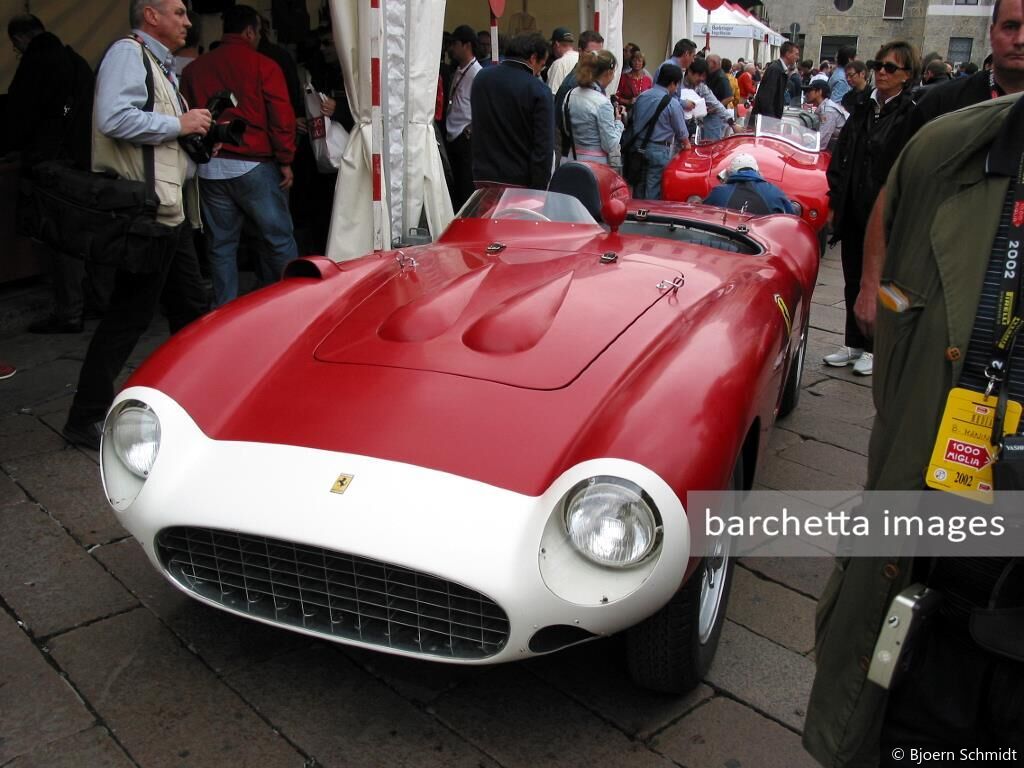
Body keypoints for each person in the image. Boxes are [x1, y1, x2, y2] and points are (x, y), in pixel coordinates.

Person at [804, 91, 1024, 768]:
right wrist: (874, 290)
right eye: (1012, 22)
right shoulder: (948, 146)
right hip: (943, 534)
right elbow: (885, 216)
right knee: (913, 721)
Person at [62, 0, 212, 450]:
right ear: (151, 15)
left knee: (187, 308)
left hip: (169, 209)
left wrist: (191, 133)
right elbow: (114, 117)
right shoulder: (128, 53)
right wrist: (179, 123)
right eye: (179, 12)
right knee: (132, 315)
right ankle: (86, 415)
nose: (188, 21)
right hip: (150, 212)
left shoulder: (157, 64)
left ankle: (197, 400)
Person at [854, 0, 1024, 340]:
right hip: (937, 290)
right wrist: (871, 282)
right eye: (1010, 27)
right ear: (992, 33)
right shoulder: (939, 105)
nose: (1020, 39)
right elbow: (892, 193)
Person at [180, 4, 298, 307]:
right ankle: (294, 304)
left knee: (220, 247)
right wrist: (286, 160)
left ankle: (223, 313)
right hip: (255, 164)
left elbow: (185, 116)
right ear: (250, 31)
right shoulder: (264, 66)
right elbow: (282, 118)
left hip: (209, 167)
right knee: (279, 240)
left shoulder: (194, 70)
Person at [823, 40, 919, 378]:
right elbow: (843, 152)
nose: (881, 72)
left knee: (880, 281)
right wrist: (836, 200)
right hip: (854, 207)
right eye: (879, 65)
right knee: (852, 278)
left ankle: (876, 347)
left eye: (890, 67)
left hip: (886, 212)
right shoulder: (863, 106)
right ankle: (853, 342)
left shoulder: (911, 113)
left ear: (907, 75)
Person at [7, 13, 96, 334]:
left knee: (59, 241)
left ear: (18, 40)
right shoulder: (76, 61)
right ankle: (96, 301)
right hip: (83, 163)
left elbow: (18, 119)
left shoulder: (35, 65)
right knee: (85, 236)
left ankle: (69, 312)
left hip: (49, 165)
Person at [471, 32, 553, 189]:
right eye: (541, 65)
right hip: (520, 181)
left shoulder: (481, 78)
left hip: (483, 176)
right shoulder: (538, 90)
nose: (539, 72)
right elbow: (543, 148)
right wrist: (539, 187)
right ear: (533, 58)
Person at [622, 63, 690, 199]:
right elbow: (682, 134)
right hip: (659, 150)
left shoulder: (642, 96)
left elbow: (633, 119)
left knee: (638, 186)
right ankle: (649, 216)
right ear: (672, 83)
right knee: (653, 188)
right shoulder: (672, 103)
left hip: (638, 148)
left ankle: (636, 215)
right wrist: (687, 145)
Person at [444, 25, 482, 210]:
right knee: (456, 185)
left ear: (466, 45)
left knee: (465, 186)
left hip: (465, 136)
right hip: (453, 134)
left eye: (455, 44)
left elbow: (482, 107)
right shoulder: (459, 70)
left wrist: (470, 130)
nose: (452, 48)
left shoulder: (477, 73)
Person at [564, 50, 623, 165]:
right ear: (608, 73)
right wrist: (618, 123)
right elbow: (610, 145)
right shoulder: (603, 103)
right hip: (596, 165)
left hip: (573, 158)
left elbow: (566, 128)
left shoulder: (570, 94)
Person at [703, 153, 794, 214]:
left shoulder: (718, 192)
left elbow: (704, 213)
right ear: (757, 171)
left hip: (726, 240)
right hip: (762, 241)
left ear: (730, 173)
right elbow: (791, 217)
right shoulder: (774, 192)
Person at [751, 42, 800, 120]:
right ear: (787, 54)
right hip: (765, 120)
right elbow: (767, 98)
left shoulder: (779, 69)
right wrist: (772, 121)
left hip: (767, 118)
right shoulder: (775, 69)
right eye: (796, 54)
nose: (798, 57)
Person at [804, 81, 846, 152]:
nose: (806, 94)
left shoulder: (828, 111)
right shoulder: (824, 107)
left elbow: (821, 142)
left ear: (819, 92)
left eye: (809, 91)